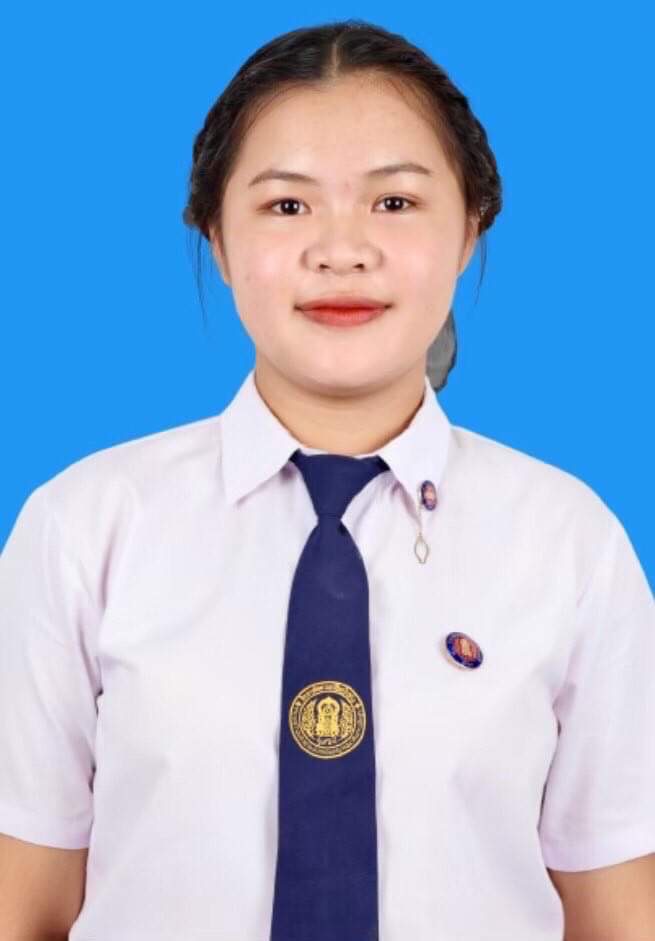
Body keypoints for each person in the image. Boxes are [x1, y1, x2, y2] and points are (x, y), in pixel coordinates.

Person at [1, 18, 653, 941]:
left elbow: (616, 913)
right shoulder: (85, 527)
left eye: (394, 202)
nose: (341, 250)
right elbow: (22, 901)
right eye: (286, 205)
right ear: (216, 236)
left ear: (468, 230)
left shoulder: (567, 541)